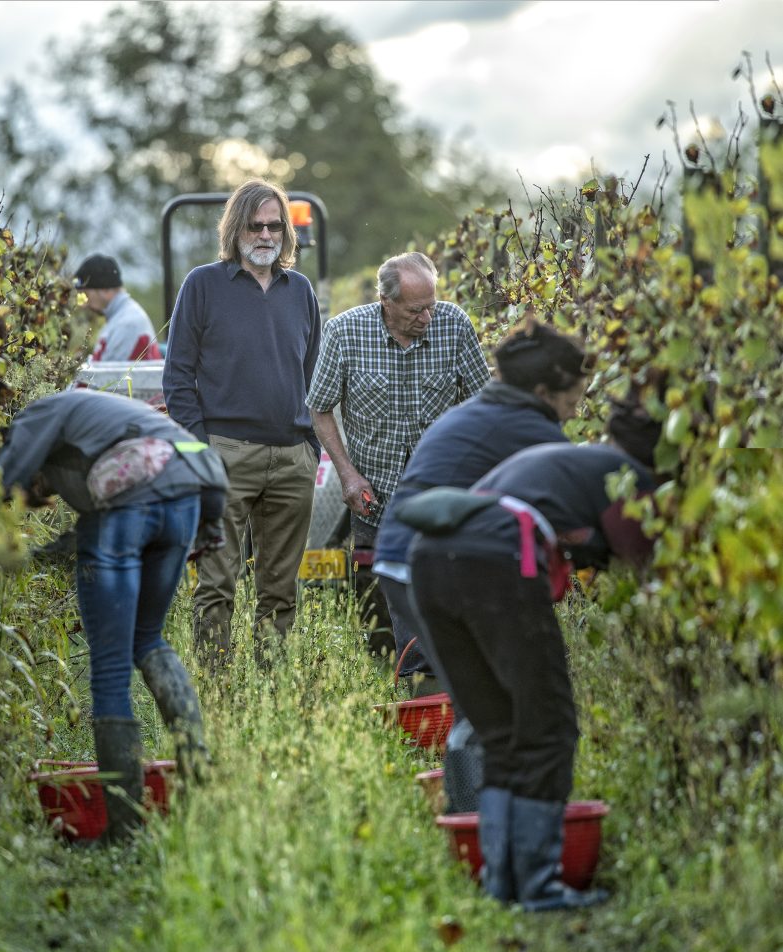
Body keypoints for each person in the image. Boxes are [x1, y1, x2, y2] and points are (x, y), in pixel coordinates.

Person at [403, 402, 662, 910]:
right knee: (549, 727)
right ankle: (541, 885)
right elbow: (644, 565)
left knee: (499, 732)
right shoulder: (625, 475)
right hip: (494, 561)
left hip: (428, 561)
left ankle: (504, 884)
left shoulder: (561, 461)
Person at [0, 388, 229, 843]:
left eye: (42, 488)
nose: (44, 494)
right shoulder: (107, 419)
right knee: (148, 639)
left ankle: (123, 830)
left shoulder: (38, 415)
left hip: (132, 501)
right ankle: (198, 774)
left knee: (109, 670)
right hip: (189, 495)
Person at [372, 319, 588, 705]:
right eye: (571, 403)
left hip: (403, 554)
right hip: (422, 561)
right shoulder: (531, 429)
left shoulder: (484, 410)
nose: (572, 415)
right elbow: (576, 522)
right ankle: (468, 752)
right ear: (543, 392)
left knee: (479, 696)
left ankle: (467, 753)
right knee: (490, 695)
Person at [163, 179, 321, 667]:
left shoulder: (300, 291)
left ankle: (269, 690)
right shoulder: (203, 285)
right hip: (225, 453)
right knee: (216, 584)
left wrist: (311, 448)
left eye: (275, 225)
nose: (267, 234)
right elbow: (177, 379)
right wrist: (199, 453)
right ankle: (216, 696)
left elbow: (314, 375)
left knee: (280, 589)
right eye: (256, 225)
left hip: (292, 457)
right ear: (236, 229)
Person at [306, 251, 490, 658]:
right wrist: (349, 475)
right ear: (386, 302)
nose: (427, 319)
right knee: (386, 614)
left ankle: (442, 683)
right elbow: (319, 409)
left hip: (442, 494)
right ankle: (406, 685)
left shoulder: (454, 326)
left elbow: (484, 404)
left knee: (447, 595)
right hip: (377, 498)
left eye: (431, 306)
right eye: (415, 310)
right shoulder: (345, 333)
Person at [73, 253, 163, 362]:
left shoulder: (127, 323)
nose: (84, 304)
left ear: (105, 290)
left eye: (86, 294)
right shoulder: (120, 318)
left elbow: (108, 377)